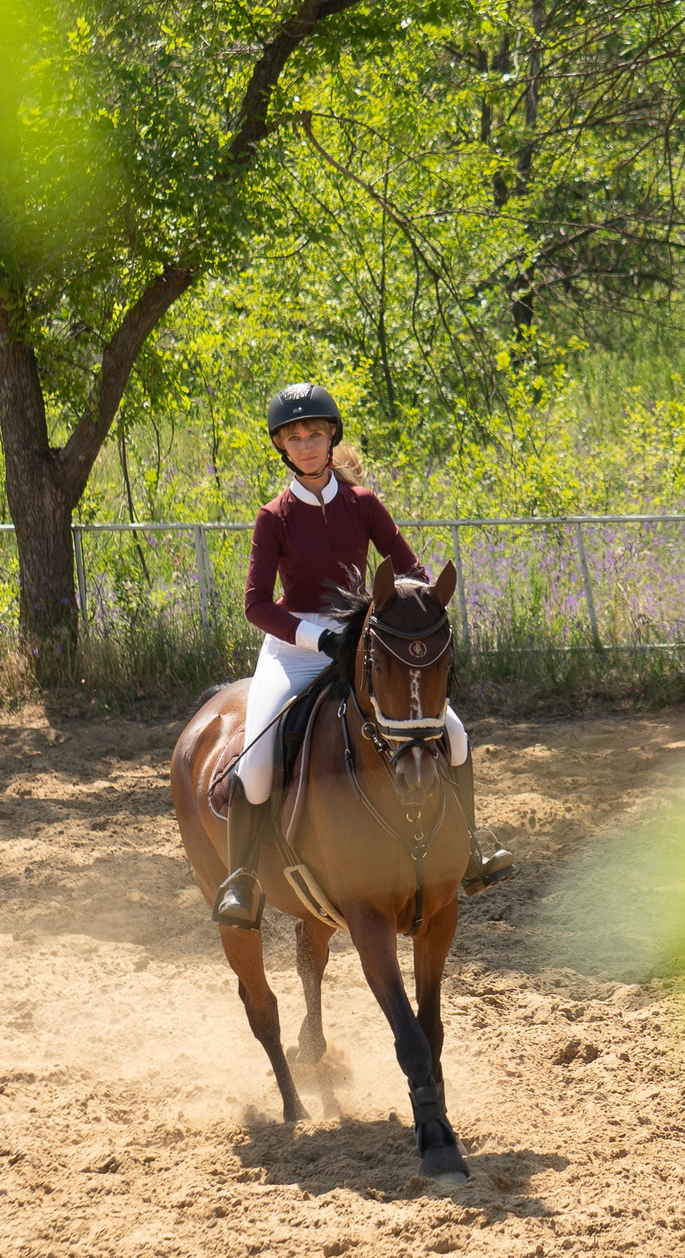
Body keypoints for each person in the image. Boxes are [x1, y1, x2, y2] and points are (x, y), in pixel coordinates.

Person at [213, 382, 515, 928]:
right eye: (294, 437)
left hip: (369, 644)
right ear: (282, 446)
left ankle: (471, 847)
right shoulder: (273, 516)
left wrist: (418, 609)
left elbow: (409, 567)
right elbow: (256, 604)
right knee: (255, 765)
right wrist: (316, 637)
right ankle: (242, 881)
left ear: (332, 438)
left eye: (315, 434)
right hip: (295, 649)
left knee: (456, 733)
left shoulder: (363, 504)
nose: (305, 444)